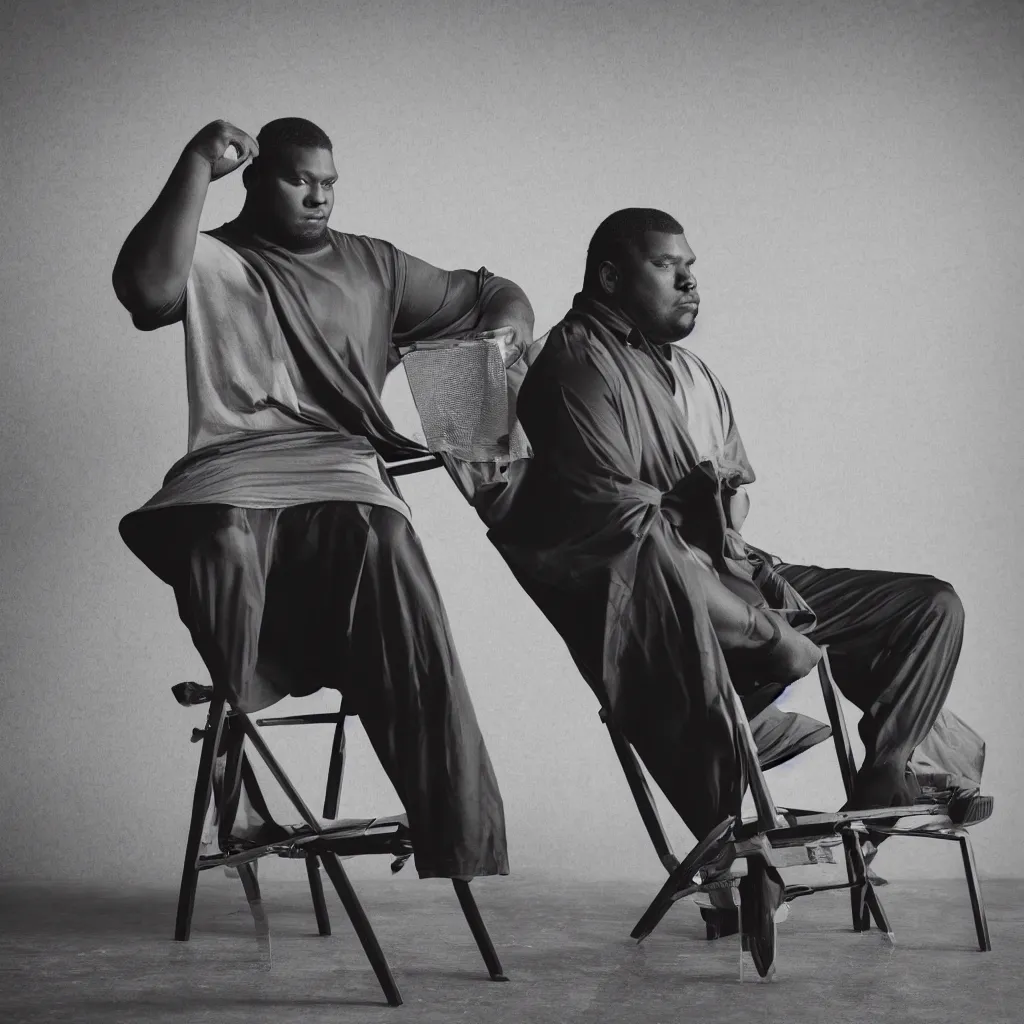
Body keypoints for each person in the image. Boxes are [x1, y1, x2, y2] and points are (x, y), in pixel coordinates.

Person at [473, 207, 990, 970]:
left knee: (929, 606)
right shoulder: (575, 366)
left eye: (692, 266)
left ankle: (881, 789)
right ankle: (770, 845)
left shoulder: (682, 371)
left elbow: (731, 497)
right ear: (611, 276)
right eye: (666, 265)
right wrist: (761, 630)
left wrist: (729, 527)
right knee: (747, 626)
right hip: (664, 602)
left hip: (741, 572)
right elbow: (628, 534)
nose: (689, 280)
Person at [112, 117, 534, 881]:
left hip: (341, 467)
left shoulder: (376, 266)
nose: (317, 195)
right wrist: (192, 165)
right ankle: (238, 738)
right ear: (254, 177)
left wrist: (499, 348)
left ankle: (456, 831)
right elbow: (144, 291)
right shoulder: (212, 257)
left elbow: (494, 291)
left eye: (329, 182)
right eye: (298, 178)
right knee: (220, 538)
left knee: (389, 544)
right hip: (232, 463)